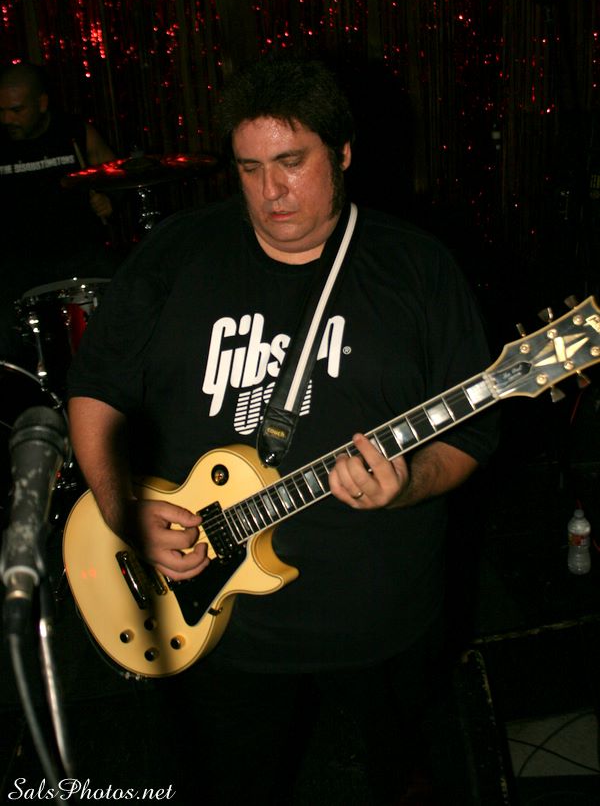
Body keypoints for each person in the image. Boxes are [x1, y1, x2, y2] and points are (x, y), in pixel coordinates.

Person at [66, 57, 498, 804]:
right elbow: (95, 390)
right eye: (250, 168)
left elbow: (472, 437)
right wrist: (120, 509)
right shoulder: (177, 252)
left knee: (404, 779)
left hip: (381, 618)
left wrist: (407, 486)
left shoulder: (417, 267)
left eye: (292, 163)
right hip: (212, 624)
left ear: (343, 152)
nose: (271, 192)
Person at [0, 61, 118, 367]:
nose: (7, 119)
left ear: (41, 103)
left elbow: (117, 177)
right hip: (18, 260)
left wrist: (108, 198)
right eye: (2, 111)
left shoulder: (74, 132)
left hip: (80, 252)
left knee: (124, 295)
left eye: (16, 110)